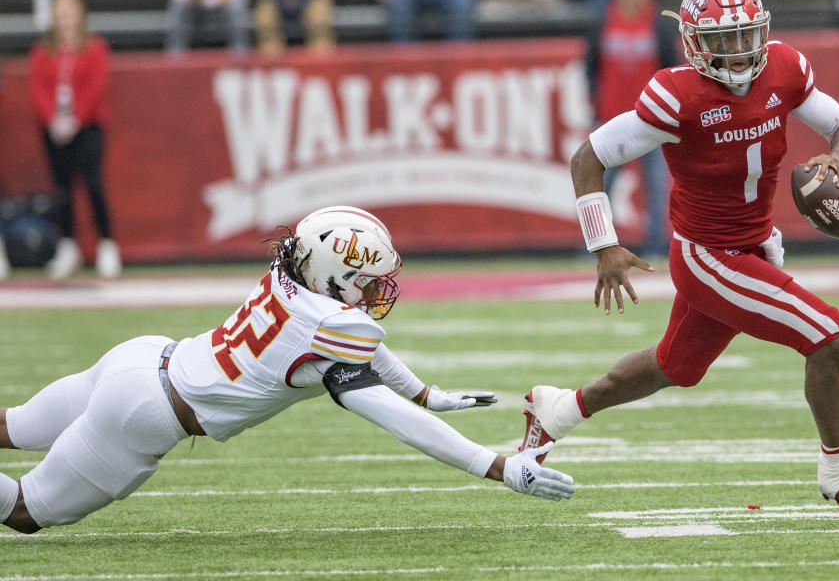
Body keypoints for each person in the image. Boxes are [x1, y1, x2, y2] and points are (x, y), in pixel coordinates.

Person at [520, 0, 839, 515]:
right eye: (722, 40)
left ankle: (557, 411)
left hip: (754, 246)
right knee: (827, 335)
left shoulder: (783, 67)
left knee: (673, 367)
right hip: (708, 256)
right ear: (692, 41)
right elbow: (588, 158)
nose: (737, 51)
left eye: (745, 35)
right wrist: (603, 244)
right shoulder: (677, 95)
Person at [0, 206, 575, 533]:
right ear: (336, 275)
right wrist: (495, 466)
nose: (378, 290)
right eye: (369, 280)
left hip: (144, 357)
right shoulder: (335, 326)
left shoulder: (292, 274)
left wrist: (423, 391)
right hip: (144, 414)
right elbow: (392, 418)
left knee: (13, 427)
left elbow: (359, 345)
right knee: (24, 512)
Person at [28, 0, 122, 280]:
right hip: (54, 129)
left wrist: (76, 118)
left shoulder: (94, 48)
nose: (64, 17)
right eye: (59, 11)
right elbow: (38, 88)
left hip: (88, 127)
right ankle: (68, 244)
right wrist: (52, 119)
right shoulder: (44, 51)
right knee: (62, 189)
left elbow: (96, 86)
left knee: (92, 184)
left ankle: (107, 244)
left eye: (69, 11)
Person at [588, 0, 675, 256]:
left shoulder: (658, 23)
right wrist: (595, 105)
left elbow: (671, 70)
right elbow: (590, 67)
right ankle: (597, 246)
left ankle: (655, 247)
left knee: (656, 187)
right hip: (610, 120)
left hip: (650, 120)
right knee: (599, 185)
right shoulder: (603, 20)